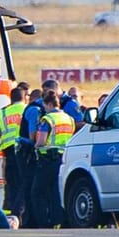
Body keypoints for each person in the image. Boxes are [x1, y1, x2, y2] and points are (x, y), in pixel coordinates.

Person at [31, 88, 76, 228]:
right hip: (64, 159)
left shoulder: (47, 120)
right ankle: (59, 220)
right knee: (57, 192)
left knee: (37, 192)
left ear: (49, 104)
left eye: (45, 105)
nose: (44, 108)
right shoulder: (69, 119)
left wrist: (35, 147)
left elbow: (41, 141)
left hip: (48, 160)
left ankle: (43, 222)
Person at [0, 85, 28, 215]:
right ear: (24, 97)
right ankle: (19, 214)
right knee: (23, 183)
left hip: (8, 152)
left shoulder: (3, 112)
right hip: (22, 150)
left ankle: (9, 216)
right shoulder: (26, 110)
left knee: (10, 184)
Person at [16, 86, 46, 225]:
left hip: (24, 151)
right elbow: (32, 135)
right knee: (27, 186)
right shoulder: (35, 110)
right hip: (26, 152)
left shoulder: (35, 108)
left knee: (26, 186)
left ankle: (26, 218)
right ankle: (22, 218)